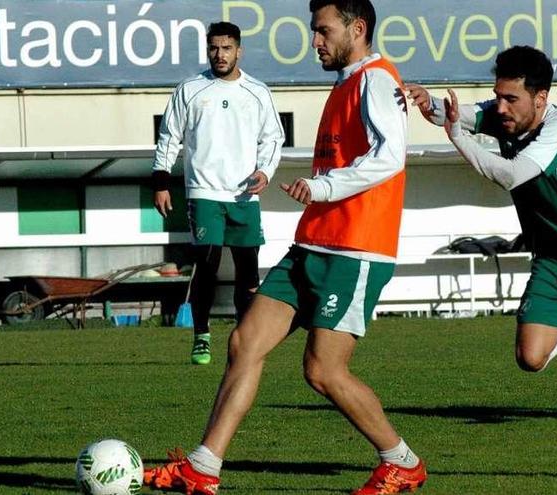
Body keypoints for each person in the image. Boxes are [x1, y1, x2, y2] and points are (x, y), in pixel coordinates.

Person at [143, 1, 426, 494]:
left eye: (323, 31)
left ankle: (401, 460)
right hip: (314, 243)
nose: (314, 41)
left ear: (357, 29)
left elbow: (390, 158)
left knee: (322, 370)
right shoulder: (347, 82)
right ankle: (203, 468)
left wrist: (323, 188)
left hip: (355, 249)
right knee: (244, 343)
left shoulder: (377, 80)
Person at [407, 45, 557, 480]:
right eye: (498, 96)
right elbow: (458, 113)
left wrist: (457, 136)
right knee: (530, 359)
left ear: (541, 97)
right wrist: (428, 101)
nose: (501, 107)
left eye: (511, 98)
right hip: (555, 261)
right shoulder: (505, 113)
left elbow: (511, 174)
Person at [152, 21, 285, 365]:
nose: (219, 54)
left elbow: (273, 137)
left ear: (239, 50)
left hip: (244, 195)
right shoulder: (191, 89)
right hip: (204, 191)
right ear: (207, 50)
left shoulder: (257, 92)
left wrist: (265, 172)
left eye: (226, 48)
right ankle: (201, 336)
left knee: (248, 272)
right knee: (207, 264)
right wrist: (161, 183)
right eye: (214, 48)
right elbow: (169, 136)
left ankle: (245, 339)